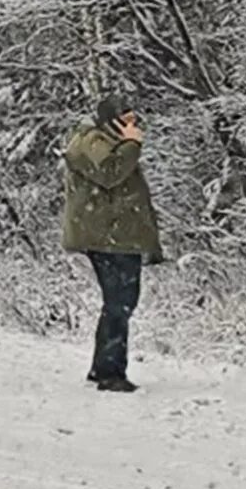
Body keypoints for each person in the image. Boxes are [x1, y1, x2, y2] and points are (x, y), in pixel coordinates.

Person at [62, 93, 163, 393]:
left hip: (118, 237)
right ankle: (109, 372)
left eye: (135, 119)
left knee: (122, 301)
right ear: (111, 119)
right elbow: (109, 173)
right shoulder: (91, 141)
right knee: (119, 301)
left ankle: (103, 367)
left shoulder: (107, 143)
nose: (133, 126)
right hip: (106, 237)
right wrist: (133, 144)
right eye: (127, 119)